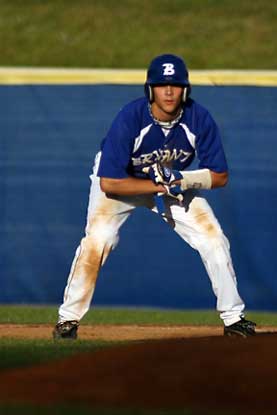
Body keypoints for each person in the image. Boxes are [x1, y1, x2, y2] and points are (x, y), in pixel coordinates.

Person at [53, 54, 256, 340]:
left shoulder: (198, 118)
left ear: (186, 89)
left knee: (213, 238)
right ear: (150, 89)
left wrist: (182, 180)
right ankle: (68, 320)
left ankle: (234, 318)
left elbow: (220, 176)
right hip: (124, 180)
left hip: (171, 183)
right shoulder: (131, 118)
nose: (169, 91)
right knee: (99, 240)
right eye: (161, 85)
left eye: (176, 85)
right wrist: (159, 187)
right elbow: (110, 183)